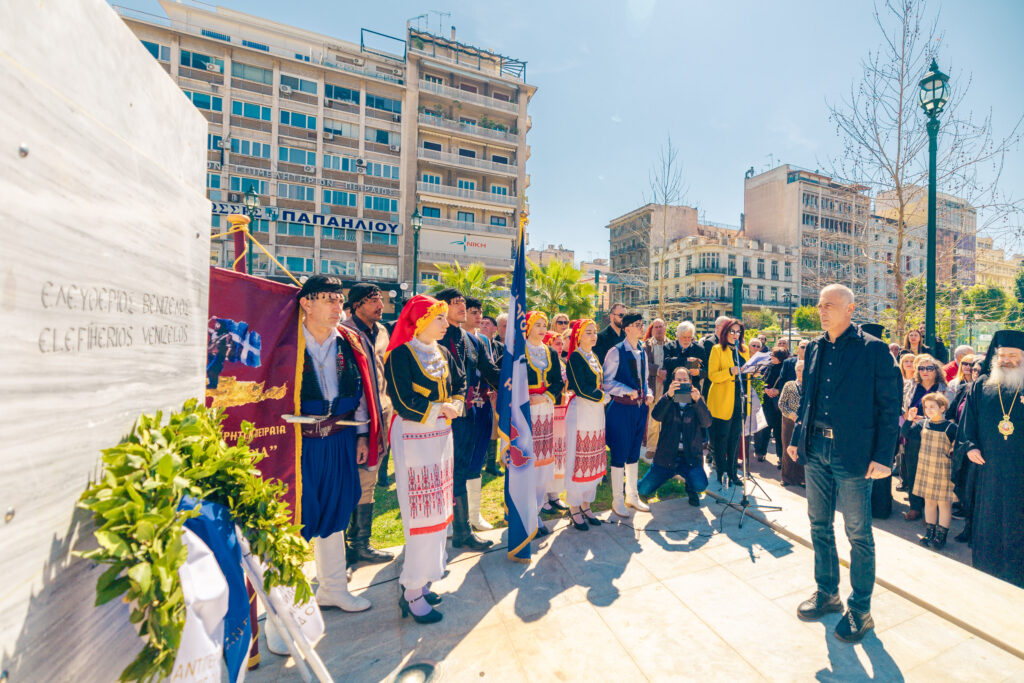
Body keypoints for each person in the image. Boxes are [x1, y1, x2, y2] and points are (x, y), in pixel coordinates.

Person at [787, 284, 900, 643]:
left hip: (854, 453)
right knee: (819, 525)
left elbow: (890, 406)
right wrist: (796, 438)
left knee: (858, 533)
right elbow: (808, 399)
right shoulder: (815, 347)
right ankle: (828, 594)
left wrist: (883, 457)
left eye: (830, 305)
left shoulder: (874, 349)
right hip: (816, 447)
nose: (822, 311)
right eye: (820, 305)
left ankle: (861, 610)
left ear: (850, 309)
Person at [294, 276, 379, 613]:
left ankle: (332, 589)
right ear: (306, 302)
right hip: (298, 442)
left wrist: (362, 434)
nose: (337, 306)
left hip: (340, 437)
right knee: (294, 516)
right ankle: (288, 605)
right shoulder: (287, 341)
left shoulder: (349, 340)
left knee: (336, 510)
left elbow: (362, 390)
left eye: (339, 299)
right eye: (328, 299)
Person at [384, 294, 465, 623]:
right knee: (420, 513)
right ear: (420, 321)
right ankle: (412, 590)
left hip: (441, 437)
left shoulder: (443, 352)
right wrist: (438, 408)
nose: (446, 323)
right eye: (439, 318)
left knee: (439, 510)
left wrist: (456, 403)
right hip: (414, 436)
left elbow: (459, 383)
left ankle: (426, 578)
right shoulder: (400, 355)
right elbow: (402, 399)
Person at [959, 331, 1024, 588]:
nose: (1006, 360)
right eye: (1002, 355)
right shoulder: (982, 384)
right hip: (989, 470)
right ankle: (988, 570)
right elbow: (968, 421)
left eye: (1013, 355)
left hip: (1020, 471)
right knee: (989, 520)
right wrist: (970, 446)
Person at [435, 289, 498, 551]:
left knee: (462, 469)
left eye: (463, 303)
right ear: (441, 307)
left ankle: (462, 531)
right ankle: (439, 528)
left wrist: (517, 378)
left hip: (468, 414)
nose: (462, 307)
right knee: (439, 473)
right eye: (456, 303)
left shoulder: (474, 340)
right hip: (439, 417)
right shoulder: (432, 336)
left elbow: (490, 371)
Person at [340, 283, 394, 564]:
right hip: (352, 421)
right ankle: (344, 550)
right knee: (348, 481)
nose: (380, 305)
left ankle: (360, 544)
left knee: (369, 479)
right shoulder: (344, 333)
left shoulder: (382, 331)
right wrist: (361, 431)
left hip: (381, 415)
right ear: (356, 305)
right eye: (373, 300)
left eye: (381, 299)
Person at [602, 311, 653, 516]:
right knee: (619, 454)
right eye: (638, 324)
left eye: (642, 323)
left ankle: (632, 496)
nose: (642, 327)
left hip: (639, 409)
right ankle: (617, 500)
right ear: (628, 328)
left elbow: (645, 380)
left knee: (633, 453)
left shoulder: (642, 350)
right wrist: (626, 390)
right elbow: (606, 382)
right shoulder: (615, 352)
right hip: (621, 409)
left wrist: (648, 393)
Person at [639, 367, 712, 507]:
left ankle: (690, 488)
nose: (682, 382)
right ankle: (641, 483)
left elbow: (707, 422)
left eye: (685, 380)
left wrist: (698, 402)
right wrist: (668, 396)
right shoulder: (668, 398)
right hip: (667, 457)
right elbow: (656, 415)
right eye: (678, 380)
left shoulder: (696, 400)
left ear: (690, 382)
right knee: (643, 489)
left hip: (690, 458)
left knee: (700, 485)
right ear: (673, 382)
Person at [564, 319, 609, 530]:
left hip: (596, 412)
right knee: (579, 456)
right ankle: (574, 507)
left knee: (593, 457)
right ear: (579, 336)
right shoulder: (576, 357)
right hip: (582, 410)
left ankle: (586, 504)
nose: (593, 336)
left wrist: (603, 396)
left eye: (594, 332)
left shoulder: (594, 356)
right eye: (588, 332)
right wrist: (603, 397)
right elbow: (581, 388)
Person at [524, 312, 565, 535]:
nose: (541, 329)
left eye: (544, 325)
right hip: (525, 413)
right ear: (527, 327)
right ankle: (525, 512)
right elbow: (508, 380)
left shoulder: (550, 352)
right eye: (537, 325)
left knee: (541, 464)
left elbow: (558, 381)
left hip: (545, 410)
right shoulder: (519, 351)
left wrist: (546, 396)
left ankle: (537, 511)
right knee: (527, 463)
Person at [462, 297, 501, 532]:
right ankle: (457, 518)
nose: (479, 317)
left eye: (480, 312)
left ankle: (474, 515)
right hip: (462, 408)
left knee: (478, 456)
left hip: (482, 402)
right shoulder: (452, 337)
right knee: (460, 460)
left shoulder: (483, 340)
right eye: (474, 312)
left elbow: (490, 370)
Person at [902, 393, 956, 549]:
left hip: (943, 470)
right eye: (926, 407)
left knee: (944, 504)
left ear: (943, 408)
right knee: (929, 501)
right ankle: (930, 533)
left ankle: (941, 536)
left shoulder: (951, 428)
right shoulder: (922, 424)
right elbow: (906, 433)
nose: (928, 410)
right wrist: (909, 419)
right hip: (926, 468)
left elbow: (959, 446)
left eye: (933, 406)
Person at [899, 354, 948, 521]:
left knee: (932, 472)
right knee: (913, 469)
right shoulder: (911, 386)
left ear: (936, 370)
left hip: (935, 434)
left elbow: (948, 411)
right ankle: (915, 507)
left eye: (929, 368)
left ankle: (931, 511)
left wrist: (925, 418)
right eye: (921, 368)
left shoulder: (944, 388)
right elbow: (903, 407)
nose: (925, 371)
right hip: (913, 433)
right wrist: (909, 416)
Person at [706, 318, 750, 488]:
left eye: (738, 332)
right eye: (732, 331)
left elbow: (746, 373)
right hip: (722, 401)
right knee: (721, 439)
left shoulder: (744, 350)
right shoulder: (717, 349)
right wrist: (730, 371)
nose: (735, 334)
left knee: (735, 439)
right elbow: (713, 376)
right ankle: (721, 473)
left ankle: (733, 473)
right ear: (725, 332)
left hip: (740, 400)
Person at [541, 330, 570, 515]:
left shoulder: (562, 363)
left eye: (561, 343)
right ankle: (543, 496)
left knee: (559, 453)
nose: (560, 347)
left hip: (561, 411)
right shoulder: (544, 363)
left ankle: (555, 494)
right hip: (547, 411)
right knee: (546, 453)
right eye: (556, 343)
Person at [643, 318, 674, 459]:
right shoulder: (646, 345)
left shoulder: (672, 344)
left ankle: (666, 448)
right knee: (654, 416)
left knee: (668, 416)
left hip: (668, 384)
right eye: (656, 327)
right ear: (652, 329)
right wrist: (657, 372)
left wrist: (667, 373)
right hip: (653, 384)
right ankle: (652, 448)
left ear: (665, 328)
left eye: (661, 326)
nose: (659, 329)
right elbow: (644, 364)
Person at [755, 347, 789, 463]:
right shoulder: (769, 366)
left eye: (773, 355)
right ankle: (761, 453)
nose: (771, 357)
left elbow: (787, 383)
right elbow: (763, 379)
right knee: (765, 428)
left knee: (779, 431)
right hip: (768, 402)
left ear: (780, 357)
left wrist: (777, 391)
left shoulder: (786, 367)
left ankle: (781, 457)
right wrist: (766, 389)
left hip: (779, 403)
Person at [778, 359, 805, 487]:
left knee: (802, 449)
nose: (801, 372)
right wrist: (792, 415)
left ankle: (802, 478)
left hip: (804, 422)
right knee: (787, 448)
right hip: (789, 421)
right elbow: (781, 403)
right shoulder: (789, 385)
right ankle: (787, 478)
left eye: (803, 370)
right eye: (799, 370)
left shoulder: (810, 385)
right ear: (795, 371)